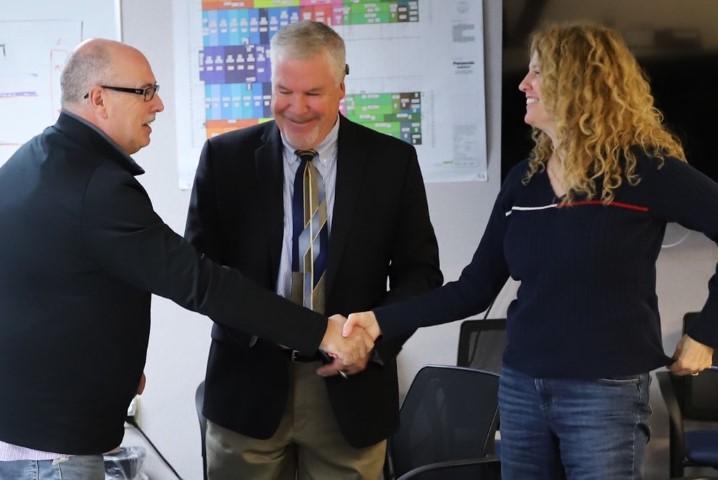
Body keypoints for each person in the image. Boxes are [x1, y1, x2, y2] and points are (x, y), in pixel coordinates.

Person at [345, 22, 718, 479]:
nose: (523, 84)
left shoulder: (644, 169)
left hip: (603, 394)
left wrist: (705, 334)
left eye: (537, 72)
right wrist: (380, 319)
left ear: (578, 82)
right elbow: (474, 288)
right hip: (522, 389)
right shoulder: (525, 179)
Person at [0, 38, 372, 480]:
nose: (157, 104)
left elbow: (58, 290)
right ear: (98, 98)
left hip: (27, 428)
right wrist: (321, 330)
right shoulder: (96, 188)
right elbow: (199, 281)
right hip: (52, 449)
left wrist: (115, 371)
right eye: (144, 91)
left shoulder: (34, 159)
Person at [184, 20, 442, 480]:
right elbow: (199, 271)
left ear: (342, 86)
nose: (297, 108)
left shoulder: (391, 162)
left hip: (351, 388)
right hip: (248, 381)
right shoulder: (225, 160)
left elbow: (419, 275)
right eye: (284, 91)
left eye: (314, 94)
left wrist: (372, 342)